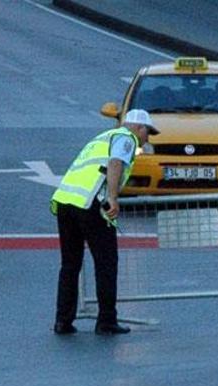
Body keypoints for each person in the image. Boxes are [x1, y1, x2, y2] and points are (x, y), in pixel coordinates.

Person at [51, 109, 159, 335]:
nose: (147, 139)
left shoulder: (102, 138)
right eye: (148, 132)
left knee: (70, 265)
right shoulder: (126, 139)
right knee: (106, 263)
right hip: (92, 203)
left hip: (65, 202)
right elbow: (115, 163)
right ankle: (106, 320)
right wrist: (112, 198)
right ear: (139, 128)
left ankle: (63, 320)